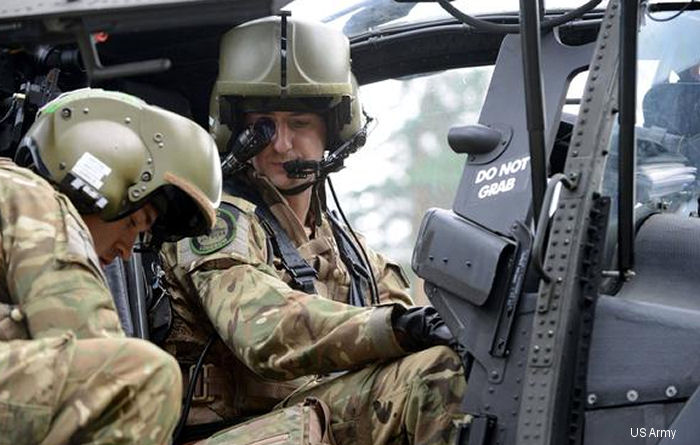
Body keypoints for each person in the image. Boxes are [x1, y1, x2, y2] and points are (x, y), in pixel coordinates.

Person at [160, 16, 466, 445]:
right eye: (262, 126)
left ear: (333, 130)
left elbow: (413, 344)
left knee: (448, 366)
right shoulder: (213, 223)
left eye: (299, 124)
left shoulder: (356, 258)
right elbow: (263, 330)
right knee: (435, 376)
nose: (281, 144)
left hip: (305, 427)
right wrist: (399, 326)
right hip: (226, 436)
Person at [0, 88, 222, 445]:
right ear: (97, 180)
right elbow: (101, 358)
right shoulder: (35, 199)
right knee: (139, 378)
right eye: (136, 223)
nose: (124, 251)